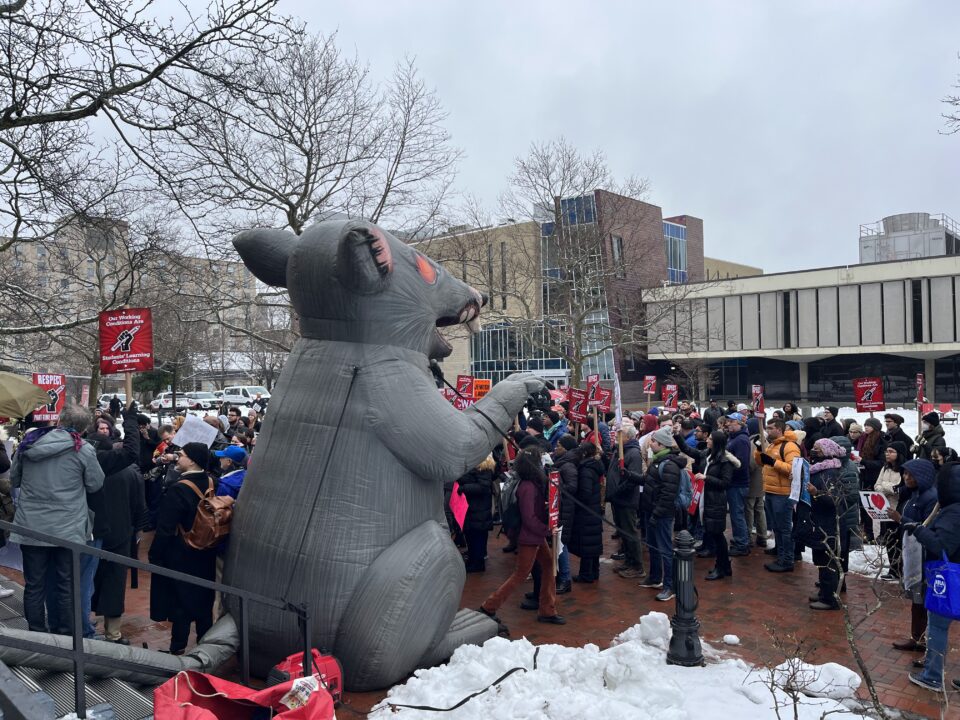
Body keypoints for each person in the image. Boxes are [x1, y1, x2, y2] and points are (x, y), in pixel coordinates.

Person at [10, 404, 104, 634]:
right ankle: (66, 637)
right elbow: (95, 484)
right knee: (66, 584)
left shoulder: (29, 444)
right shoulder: (83, 449)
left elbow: (15, 480)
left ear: (60, 420)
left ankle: (37, 635)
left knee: (34, 585)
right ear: (84, 429)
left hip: (31, 525)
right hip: (68, 528)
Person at [480, 448, 564, 633]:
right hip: (530, 536)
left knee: (548, 566)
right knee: (520, 574)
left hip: (534, 535)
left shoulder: (529, 483)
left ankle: (547, 609)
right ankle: (489, 606)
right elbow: (529, 518)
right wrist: (547, 529)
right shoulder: (528, 487)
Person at [149, 442, 217, 654]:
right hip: (206, 549)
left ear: (193, 461)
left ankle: (178, 648)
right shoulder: (211, 481)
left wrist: (155, 554)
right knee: (204, 600)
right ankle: (206, 648)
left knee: (180, 602)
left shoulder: (179, 489)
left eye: (182, 455)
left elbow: (165, 527)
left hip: (182, 551)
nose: (178, 458)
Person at [89, 407, 147, 644]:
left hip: (91, 532)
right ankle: (113, 633)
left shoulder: (85, 470)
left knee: (86, 578)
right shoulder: (130, 472)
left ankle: (84, 624)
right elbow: (140, 506)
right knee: (115, 581)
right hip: (121, 533)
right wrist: (137, 530)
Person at [905, 463, 960, 692]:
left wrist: (919, 530)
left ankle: (933, 676)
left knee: (937, 625)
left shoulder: (953, 511)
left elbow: (942, 545)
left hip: (949, 577)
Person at [889, 459, 938, 654]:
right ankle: (916, 637)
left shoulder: (931, 497)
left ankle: (923, 639)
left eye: (911, 474)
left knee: (922, 598)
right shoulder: (913, 494)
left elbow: (927, 527)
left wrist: (901, 519)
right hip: (912, 551)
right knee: (916, 598)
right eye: (905, 473)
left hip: (924, 555)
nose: (906, 477)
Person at [639, 426, 686, 602]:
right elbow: (649, 481)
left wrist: (656, 514)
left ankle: (669, 585)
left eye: (653, 441)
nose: (650, 443)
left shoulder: (669, 465)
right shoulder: (658, 461)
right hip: (651, 511)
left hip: (662, 515)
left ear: (661, 444)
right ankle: (655, 577)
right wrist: (629, 476)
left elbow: (668, 494)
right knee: (653, 546)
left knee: (665, 549)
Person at [757, 418, 802, 573]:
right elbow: (761, 463)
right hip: (771, 490)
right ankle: (781, 554)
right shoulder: (772, 445)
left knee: (784, 528)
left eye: (771, 428)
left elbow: (793, 469)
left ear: (779, 429)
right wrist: (759, 451)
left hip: (783, 493)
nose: (767, 431)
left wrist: (773, 462)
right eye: (767, 428)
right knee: (777, 527)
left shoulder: (789, 446)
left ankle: (787, 560)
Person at [606, 424, 644, 579]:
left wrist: (617, 491)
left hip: (626, 499)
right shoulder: (619, 450)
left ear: (627, 437)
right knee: (623, 532)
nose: (615, 437)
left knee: (630, 532)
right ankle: (629, 561)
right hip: (618, 499)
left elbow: (633, 479)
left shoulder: (633, 453)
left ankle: (637, 566)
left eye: (618, 435)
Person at [701, 430, 737, 580]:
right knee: (715, 534)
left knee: (718, 535)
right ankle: (724, 566)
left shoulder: (724, 461)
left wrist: (706, 478)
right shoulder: (710, 457)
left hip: (716, 501)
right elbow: (690, 451)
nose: (707, 440)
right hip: (709, 499)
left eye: (710, 438)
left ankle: (721, 567)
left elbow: (725, 483)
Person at [568, 442, 604, 583]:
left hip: (586, 511)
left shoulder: (586, 470)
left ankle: (586, 573)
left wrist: (576, 499)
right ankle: (594, 571)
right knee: (592, 543)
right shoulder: (593, 466)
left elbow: (585, 493)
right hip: (593, 510)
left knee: (587, 543)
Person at [456, 455, 495, 573]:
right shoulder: (476, 465)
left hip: (478, 508)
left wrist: (463, 488)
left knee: (477, 536)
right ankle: (473, 560)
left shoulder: (483, 467)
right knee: (472, 535)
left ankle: (477, 563)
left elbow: (483, 487)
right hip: (473, 507)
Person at [875, 442, 907, 580]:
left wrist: (886, 486)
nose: (887, 454)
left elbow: (900, 489)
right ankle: (894, 569)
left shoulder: (904, 469)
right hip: (885, 508)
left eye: (891, 451)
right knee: (889, 541)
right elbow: (877, 486)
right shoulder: (885, 467)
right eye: (886, 451)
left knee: (898, 540)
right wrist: (890, 488)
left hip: (898, 509)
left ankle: (901, 570)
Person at [553, 434, 579, 594]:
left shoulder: (568, 466)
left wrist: (555, 486)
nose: (556, 448)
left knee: (561, 543)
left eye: (559, 446)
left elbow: (572, 487)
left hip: (564, 509)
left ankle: (565, 578)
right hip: (560, 507)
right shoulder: (563, 462)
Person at [724, 413, 752, 557]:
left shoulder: (741, 440)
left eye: (731, 421)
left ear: (740, 423)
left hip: (738, 483)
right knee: (736, 514)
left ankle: (742, 544)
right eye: (727, 421)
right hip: (734, 483)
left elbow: (741, 464)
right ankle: (740, 539)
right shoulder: (733, 438)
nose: (728, 423)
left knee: (737, 514)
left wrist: (726, 472)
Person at [856, 418, 886, 543]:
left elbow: (881, 462)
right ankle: (868, 533)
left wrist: (863, 461)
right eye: (865, 425)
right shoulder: (863, 438)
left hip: (876, 477)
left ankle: (882, 534)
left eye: (869, 425)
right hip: (865, 476)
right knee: (865, 506)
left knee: (878, 507)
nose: (866, 427)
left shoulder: (881, 440)